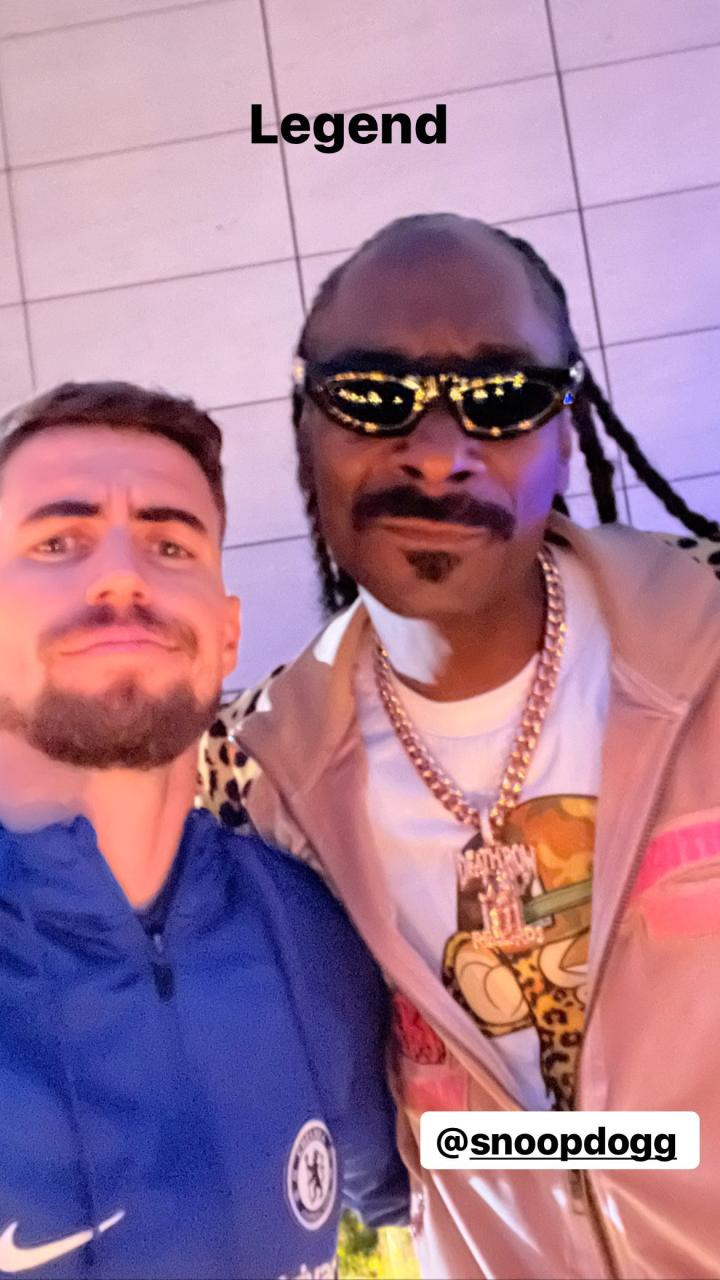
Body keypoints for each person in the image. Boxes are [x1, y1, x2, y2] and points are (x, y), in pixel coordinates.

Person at [200, 213, 720, 1280]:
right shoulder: (252, 790)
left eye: (503, 396)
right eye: (373, 395)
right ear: (306, 431)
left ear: (566, 432)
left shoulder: (709, 641)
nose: (438, 453)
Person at [0, 381, 408, 1280]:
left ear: (226, 635)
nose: (122, 574)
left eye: (170, 543)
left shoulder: (309, 927)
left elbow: (463, 1165)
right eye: (57, 541)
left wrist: (664, 1136)